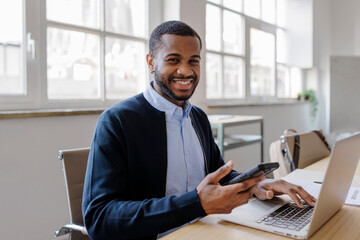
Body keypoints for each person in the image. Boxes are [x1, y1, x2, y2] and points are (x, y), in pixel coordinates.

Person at [82, 20, 316, 240]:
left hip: (207, 229)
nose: (185, 71)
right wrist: (196, 204)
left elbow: (218, 177)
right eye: (173, 60)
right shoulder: (117, 121)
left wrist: (255, 184)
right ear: (151, 62)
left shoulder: (198, 117)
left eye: (193, 60)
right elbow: (99, 218)